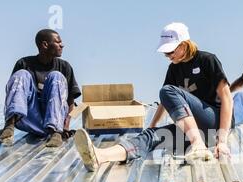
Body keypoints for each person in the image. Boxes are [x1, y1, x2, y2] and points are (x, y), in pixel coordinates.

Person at [74, 22, 233, 172]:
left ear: (184, 46)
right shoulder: (174, 69)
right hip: (195, 130)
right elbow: (166, 102)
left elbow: (227, 98)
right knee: (150, 136)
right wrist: (153, 125)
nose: (167, 55)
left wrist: (223, 141)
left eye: (170, 51)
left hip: (213, 123)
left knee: (167, 90)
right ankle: (101, 157)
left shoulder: (207, 60)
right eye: (165, 52)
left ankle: (198, 144)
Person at [0, 29, 81, 147]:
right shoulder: (24, 63)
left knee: (56, 76)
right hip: (29, 118)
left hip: (55, 121)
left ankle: (55, 133)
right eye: (58, 42)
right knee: (21, 74)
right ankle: (9, 125)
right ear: (45, 45)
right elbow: (13, 93)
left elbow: (70, 102)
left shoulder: (64, 67)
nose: (62, 45)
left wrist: (65, 128)